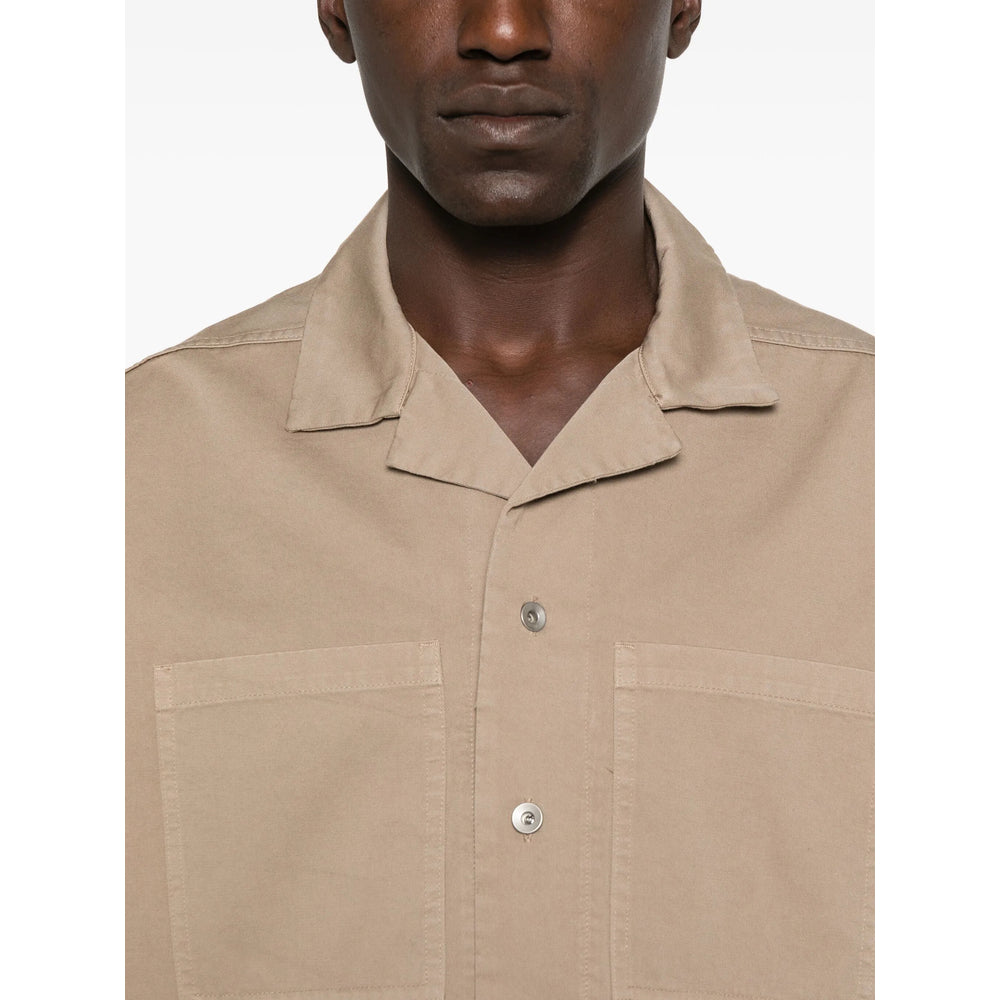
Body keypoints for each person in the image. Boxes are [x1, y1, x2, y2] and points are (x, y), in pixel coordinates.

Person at [125, 2, 874, 998]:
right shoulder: (125, 471)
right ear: (336, 10)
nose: (506, 30)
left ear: (685, 7)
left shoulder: (900, 462)